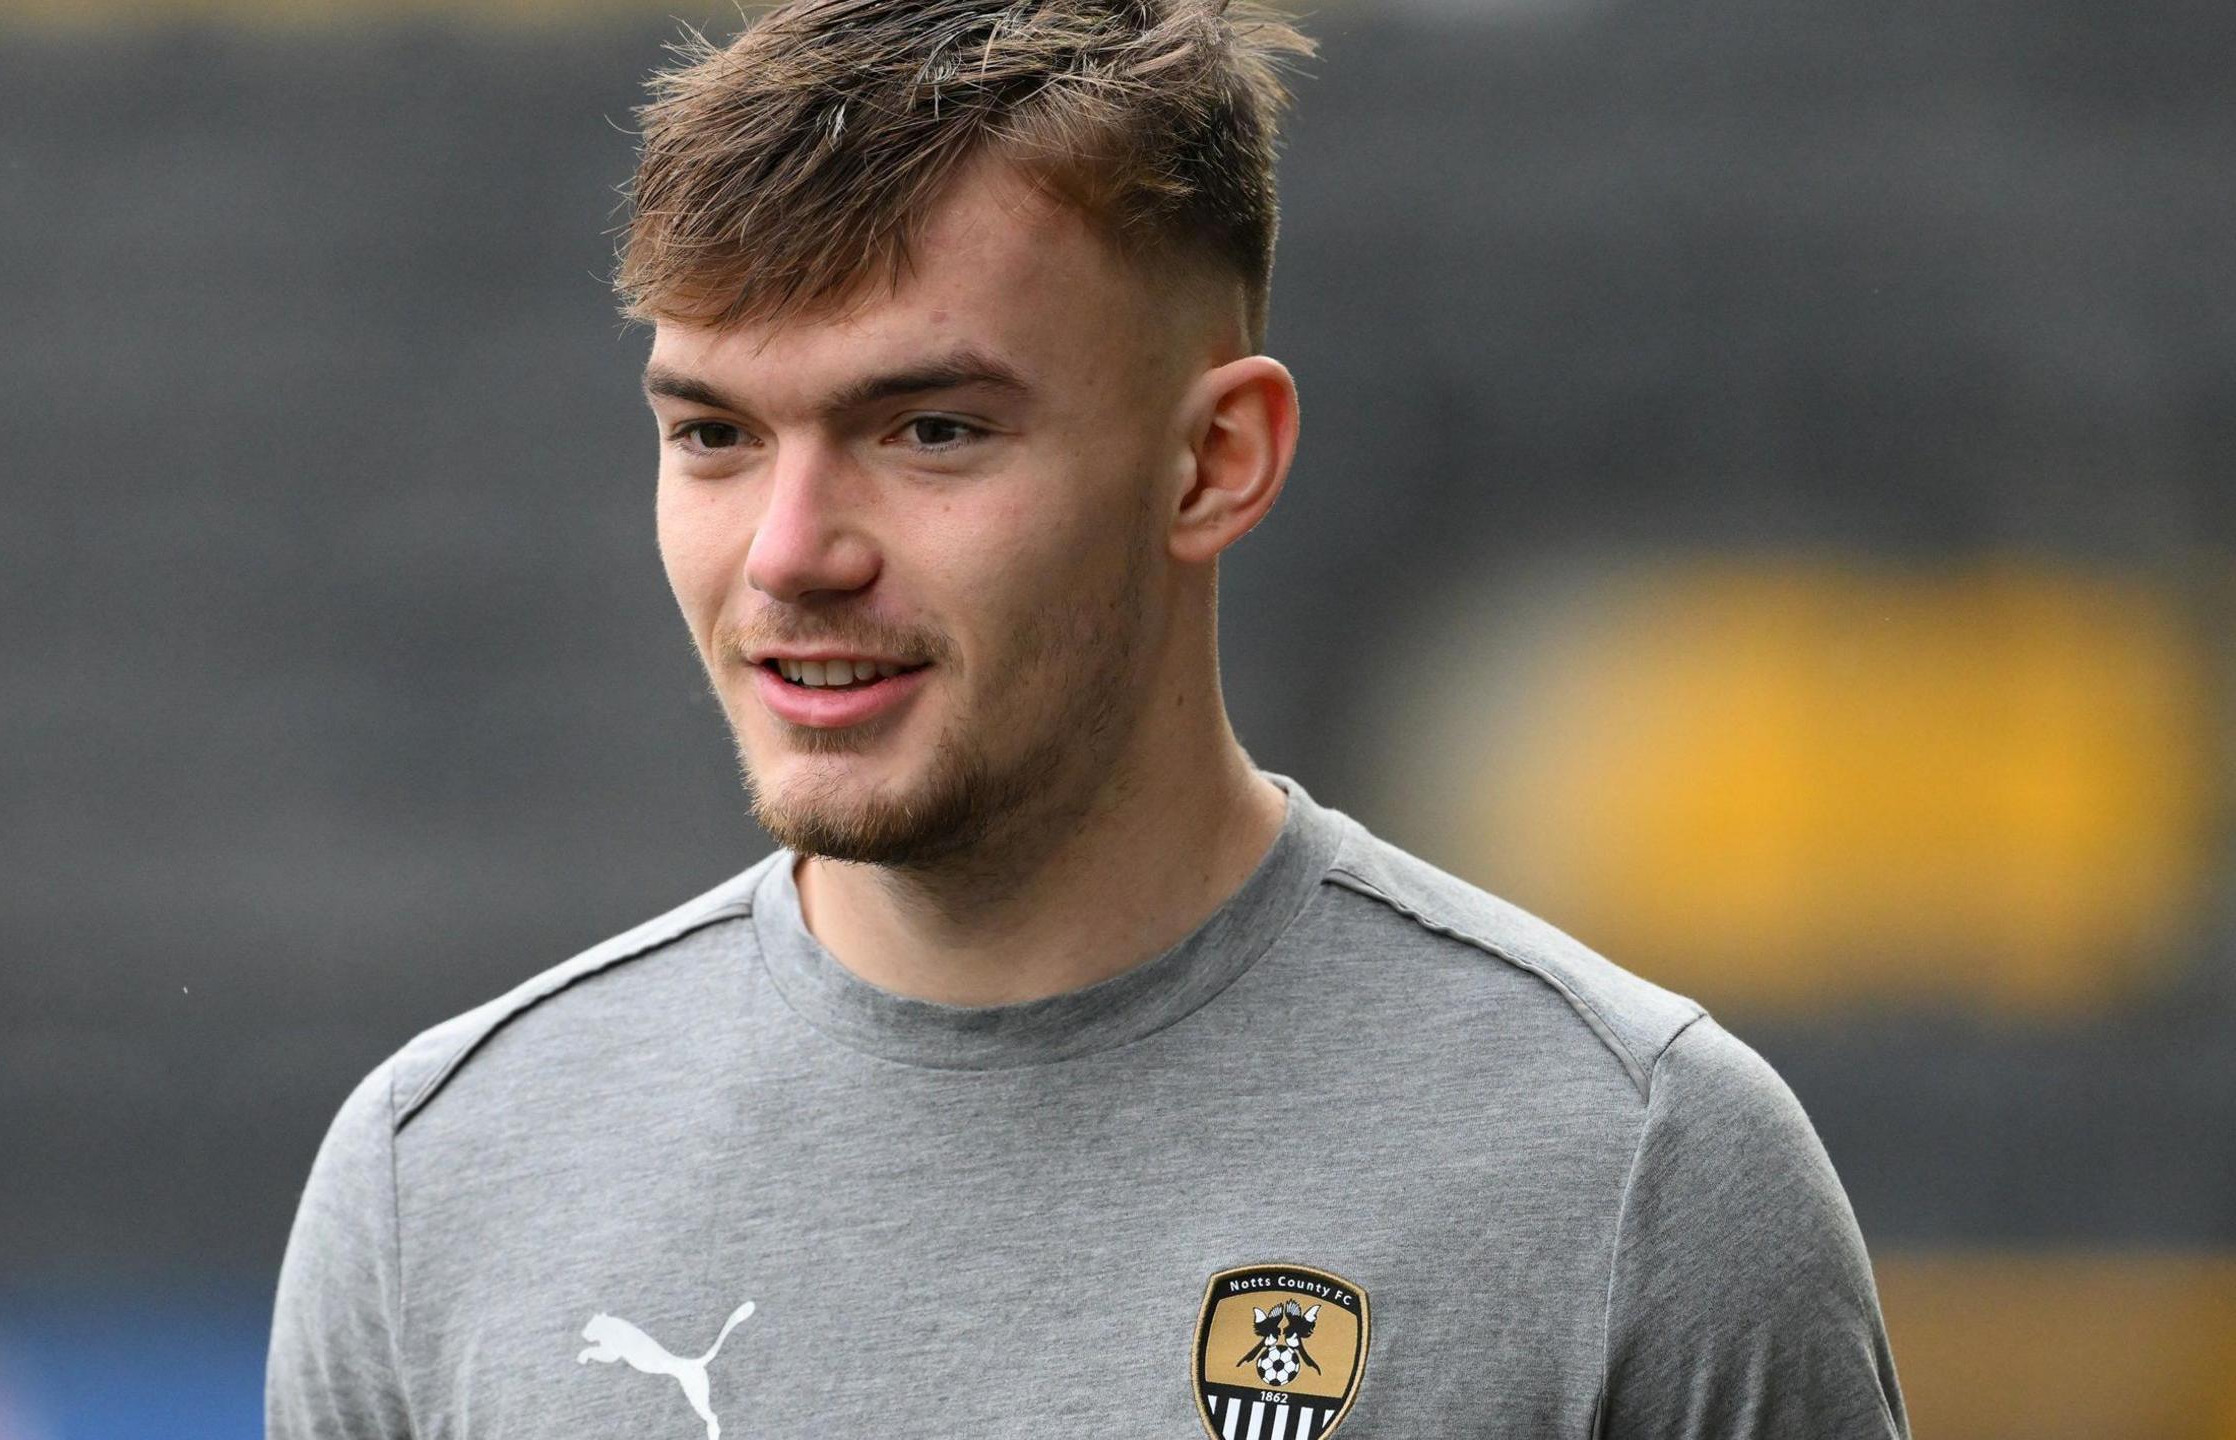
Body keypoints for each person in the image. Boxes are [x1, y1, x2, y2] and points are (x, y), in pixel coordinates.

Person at [267, 0, 1909, 1435]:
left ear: (1215, 462)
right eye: (713, 436)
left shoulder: (1638, 1172)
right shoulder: (446, 1177)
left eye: (928, 429)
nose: (789, 554)